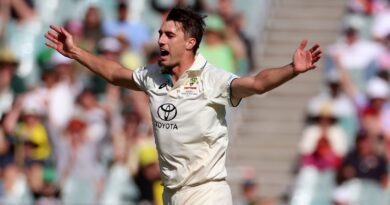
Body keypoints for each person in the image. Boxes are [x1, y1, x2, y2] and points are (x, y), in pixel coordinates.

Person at [44, 7, 321, 205]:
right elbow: (116, 74)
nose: (160, 40)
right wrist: (75, 52)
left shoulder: (211, 79)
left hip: (206, 194)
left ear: (190, 42)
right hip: (171, 195)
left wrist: (291, 69)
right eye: (160, 33)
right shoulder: (153, 75)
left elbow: (258, 84)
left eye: (169, 35)